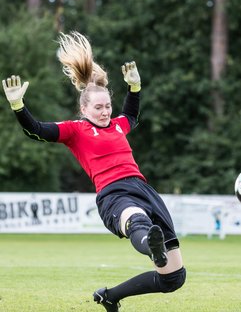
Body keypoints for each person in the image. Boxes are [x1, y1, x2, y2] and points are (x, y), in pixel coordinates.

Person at [2, 31, 186, 312]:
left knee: (173, 277)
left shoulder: (118, 125)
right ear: (84, 108)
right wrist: (18, 106)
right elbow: (36, 130)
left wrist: (134, 88)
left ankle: (109, 296)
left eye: (108, 106)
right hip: (114, 194)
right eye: (98, 107)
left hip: (144, 189)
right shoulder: (75, 130)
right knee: (135, 221)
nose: (104, 112)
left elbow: (132, 114)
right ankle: (152, 246)